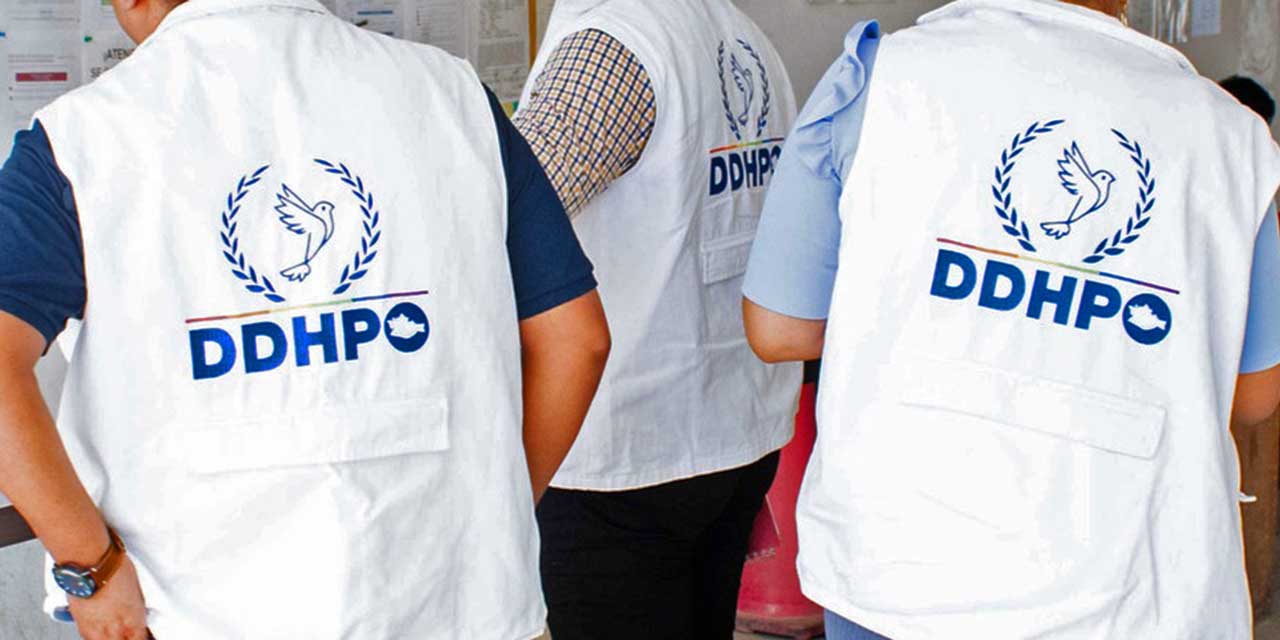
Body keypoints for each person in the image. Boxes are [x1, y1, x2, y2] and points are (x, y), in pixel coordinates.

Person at [0, 0, 610, 637]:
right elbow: (577, 340)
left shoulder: (83, 138)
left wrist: (92, 568)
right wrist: (490, 521)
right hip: (465, 610)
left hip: (206, 612)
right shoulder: (454, 96)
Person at [743, 1, 1280, 638]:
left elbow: (780, 331)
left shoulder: (879, 80)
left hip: (902, 572)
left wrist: (916, 308)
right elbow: (1254, 395)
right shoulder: (1233, 137)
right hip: (1139, 590)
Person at [511, 1, 801, 637]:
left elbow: (503, 221)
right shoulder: (739, 33)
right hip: (732, 429)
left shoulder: (610, 46)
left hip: (627, 449)